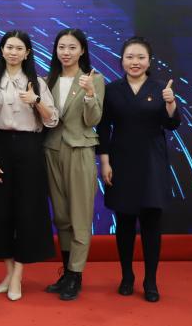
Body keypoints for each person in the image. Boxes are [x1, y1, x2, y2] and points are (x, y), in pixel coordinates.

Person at [0, 30, 59, 301]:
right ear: (2, 50)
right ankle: (9, 273)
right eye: (9, 47)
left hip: (29, 148)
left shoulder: (38, 82)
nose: (13, 52)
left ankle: (17, 276)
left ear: (27, 53)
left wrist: (36, 101)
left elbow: (52, 120)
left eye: (19, 48)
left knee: (26, 211)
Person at [97, 36, 181, 303]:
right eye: (130, 57)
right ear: (122, 60)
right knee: (124, 222)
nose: (135, 62)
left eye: (140, 57)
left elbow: (172, 125)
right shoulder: (112, 90)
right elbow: (103, 128)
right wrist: (105, 162)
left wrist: (170, 104)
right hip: (121, 161)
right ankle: (127, 277)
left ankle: (151, 281)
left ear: (149, 61)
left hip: (152, 162)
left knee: (151, 222)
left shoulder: (161, 88)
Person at [42, 28, 105, 301]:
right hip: (51, 150)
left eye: (72, 47)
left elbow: (93, 120)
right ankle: (66, 272)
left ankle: (76, 275)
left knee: (80, 216)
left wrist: (90, 94)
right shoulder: (48, 80)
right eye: (61, 47)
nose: (66, 52)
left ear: (82, 50)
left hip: (79, 149)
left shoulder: (94, 79)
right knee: (61, 216)